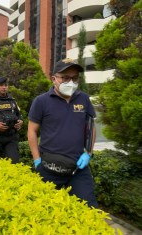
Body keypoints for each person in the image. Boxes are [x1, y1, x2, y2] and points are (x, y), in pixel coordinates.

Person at [27, 58, 98, 208]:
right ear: (54, 79)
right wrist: (36, 160)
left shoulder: (83, 99)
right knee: (46, 212)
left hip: (78, 169)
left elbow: (91, 127)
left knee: (89, 209)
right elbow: (32, 131)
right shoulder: (41, 101)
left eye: (74, 78)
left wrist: (88, 153)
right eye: (65, 77)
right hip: (49, 167)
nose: (70, 82)